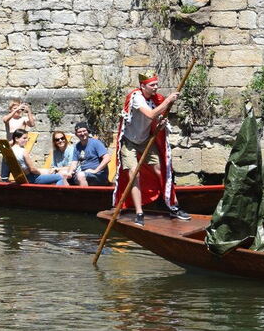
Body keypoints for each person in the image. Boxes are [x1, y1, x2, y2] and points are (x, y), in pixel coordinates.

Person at [115, 72, 190, 225]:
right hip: (129, 142)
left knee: (160, 170)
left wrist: (160, 125)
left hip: (145, 141)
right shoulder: (136, 97)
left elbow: (155, 121)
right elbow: (150, 114)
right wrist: (168, 101)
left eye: (156, 84)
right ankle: (139, 213)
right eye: (152, 85)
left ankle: (172, 205)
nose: (156, 87)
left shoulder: (157, 100)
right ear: (143, 86)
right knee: (134, 174)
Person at [68, 121, 110, 186]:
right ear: (76, 134)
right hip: (85, 174)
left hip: (99, 175)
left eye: (84, 131)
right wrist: (69, 173)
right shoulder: (77, 146)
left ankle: (85, 193)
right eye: (79, 132)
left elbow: (107, 158)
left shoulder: (96, 143)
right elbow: (74, 163)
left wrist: (95, 170)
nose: (82, 133)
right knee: (64, 175)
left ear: (88, 131)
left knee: (80, 175)